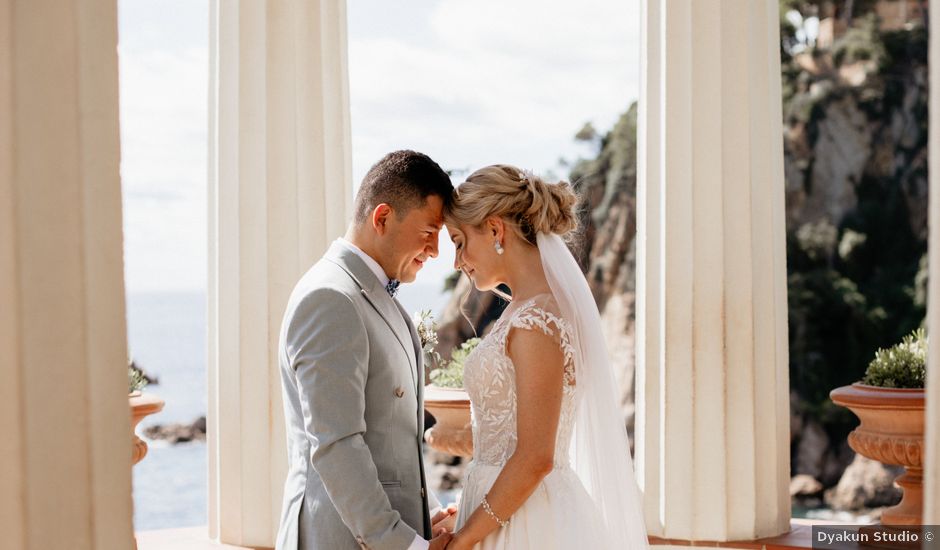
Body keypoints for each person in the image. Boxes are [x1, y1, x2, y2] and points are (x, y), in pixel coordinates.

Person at [442, 165, 650, 549]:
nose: (457, 262)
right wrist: (463, 518)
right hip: (503, 512)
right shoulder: (523, 311)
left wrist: (464, 541)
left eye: (458, 241)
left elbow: (536, 457)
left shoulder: (537, 322)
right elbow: (505, 439)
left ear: (494, 229)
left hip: (528, 526)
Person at [276, 150, 458, 550]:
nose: (435, 252)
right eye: (429, 232)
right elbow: (337, 444)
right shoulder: (331, 298)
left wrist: (418, 523)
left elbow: (385, 439)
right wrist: (404, 545)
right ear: (382, 218)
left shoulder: (372, 295)